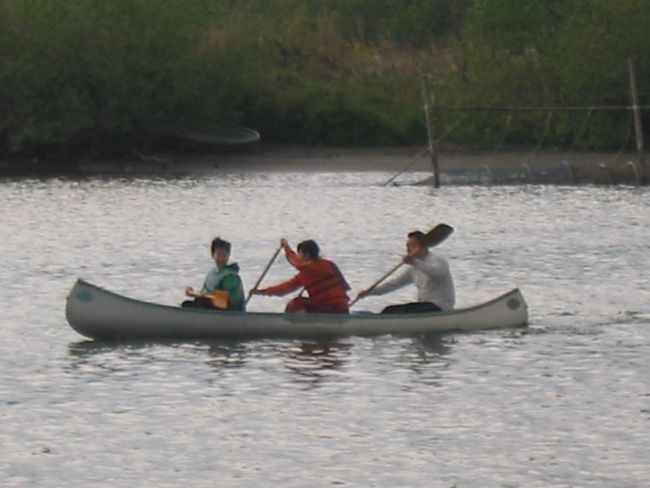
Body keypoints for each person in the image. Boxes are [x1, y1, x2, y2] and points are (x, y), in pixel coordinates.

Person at [356, 230, 455, 314]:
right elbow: (393, 284)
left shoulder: (437, 260)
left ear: (423, 247)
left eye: (412, 246)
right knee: (389, 310)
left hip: (440, 307)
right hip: (424, 306)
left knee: (404, 311)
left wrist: (415, 262)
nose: (408, 249)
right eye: (407, 246)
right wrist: (370, 292)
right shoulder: (413, 269)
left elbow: (436, 272)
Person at [251, 239, 350, 314]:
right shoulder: (305, 273)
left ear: (306, 255)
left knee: (296, 303)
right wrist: (261, 292)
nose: (298, 257)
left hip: (336, 307)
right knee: (295, 304)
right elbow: (284, 289)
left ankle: (299, 327)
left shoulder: (324, 266)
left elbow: (297, 264)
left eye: (299, 254)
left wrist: (287, 248)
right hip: (328, 307)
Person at [182, 237, 246, 311]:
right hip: (215, 308)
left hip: (229, 312)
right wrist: (192, 292)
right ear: (213, 255)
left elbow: (223, 300)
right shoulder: (212, 274)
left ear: (229, 255)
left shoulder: (231, 277)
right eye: (219, 255)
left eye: (224, 255)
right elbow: (204, 293)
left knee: (201, 301)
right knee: (187, 304)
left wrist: (195, 294)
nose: (222, 258)